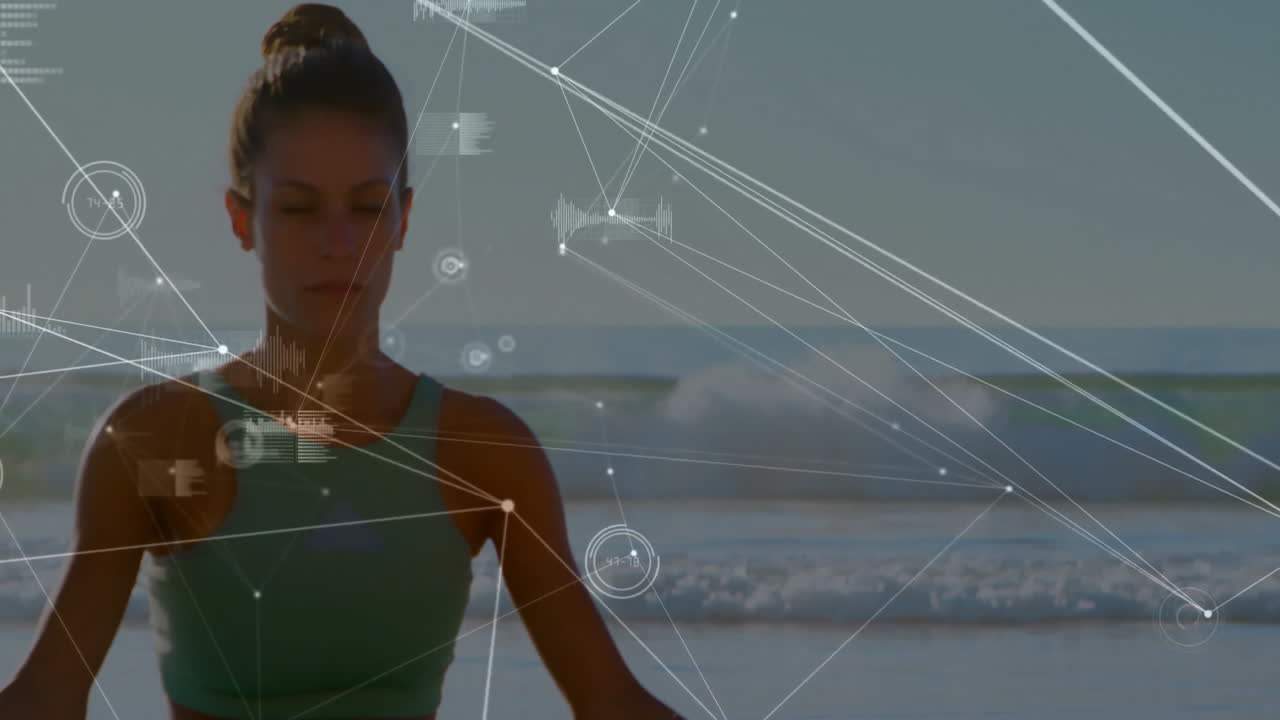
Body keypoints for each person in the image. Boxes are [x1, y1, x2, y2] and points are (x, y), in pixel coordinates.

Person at [0, 4, 686, 718]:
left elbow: (613, 703)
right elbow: (46, 698)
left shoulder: (484, 453)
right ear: (243, 219)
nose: (337, 242)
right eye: (298, 209)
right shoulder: (153, 439)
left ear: (404, 220)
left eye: (366, 207)